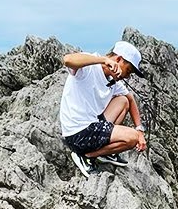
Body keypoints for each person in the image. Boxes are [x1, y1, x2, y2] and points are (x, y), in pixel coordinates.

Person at [60, 40, 148, 176]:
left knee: (123, 101)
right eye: (128, 70)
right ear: (118, 59)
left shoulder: (112, 80)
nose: (127, 76)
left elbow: (130, 99)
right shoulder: (88, 68)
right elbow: (67, 60)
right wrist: (103, 60)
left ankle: (104, 151)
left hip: (91, 126)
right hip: (78, 134)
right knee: (132, 138)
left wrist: (140, 130)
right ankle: (87, 155)